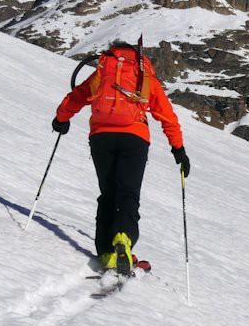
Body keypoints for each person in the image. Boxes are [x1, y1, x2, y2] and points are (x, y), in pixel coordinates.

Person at [51, 39, 189, 273]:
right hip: (135, 138)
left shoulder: (104, 71)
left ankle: (106, 252)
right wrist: (178, 149)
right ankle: (123, 238)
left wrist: (61, 119)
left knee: (108, 193)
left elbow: (78, 96)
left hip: (101, 137)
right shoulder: (144, 75)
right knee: (128, 192)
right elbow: (166, 115)